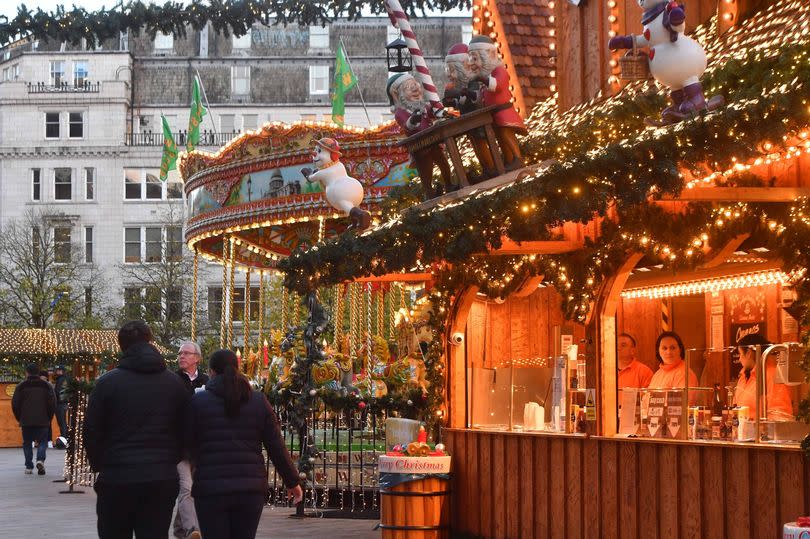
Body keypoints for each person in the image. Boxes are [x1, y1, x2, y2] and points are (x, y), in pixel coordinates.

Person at [83, 320, 190, 539]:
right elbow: (187, 428)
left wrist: (101, 464)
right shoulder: (174, 384)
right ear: (150, 342)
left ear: (122, 347)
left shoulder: (107, 383)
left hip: (117, 475)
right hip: (160, 477)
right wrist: (171, 459)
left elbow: (92, 430)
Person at [185, 349, 303, 539]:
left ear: (212, 372)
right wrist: (292, 481)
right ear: (237, 369)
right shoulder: (257, 401)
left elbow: (187, 441)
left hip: (211, 487)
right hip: (250, 487)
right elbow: (276, 446)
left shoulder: (199, 401)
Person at [387, 72, 454, 198]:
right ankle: (429, 192)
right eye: (408, 87)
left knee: (443, 163)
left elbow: (433, 113)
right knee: (426, 169)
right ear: (398, 95)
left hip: (433, 140)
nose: (414, 88)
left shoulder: (424, 106)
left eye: (415, 84)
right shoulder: (400, 112)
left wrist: (440, 112)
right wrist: (413, 121)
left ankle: (449, 184)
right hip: (420, 146)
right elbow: (407, 126)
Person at [467, 35, 527, 171]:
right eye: (471, 58)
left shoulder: (499, 71)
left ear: (487, 55)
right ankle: (509, 160)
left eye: (475, 58)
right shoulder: (487, 75)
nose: (471, 63)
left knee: (506, 134)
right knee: (500, 137)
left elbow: (497, 86)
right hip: (494, 114)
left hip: (504, 111)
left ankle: (518, 158)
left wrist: (481, 78)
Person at [174, 341, 208, 539]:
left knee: (194, 489)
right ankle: (191, 529)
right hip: (180, 444)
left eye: (186, 353)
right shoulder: (172, 380)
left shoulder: (206, 381)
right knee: (186, 487)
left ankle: (180, 529)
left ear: (197, 358)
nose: (181, 356)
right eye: (180, 353)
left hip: (200, 444)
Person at [734, 333, 793, 420]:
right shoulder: (743, 377)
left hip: (761, 432)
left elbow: (781, 414)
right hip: (743, 432)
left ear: (749, 353)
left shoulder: (773, 376)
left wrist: (761, 429)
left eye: (740, 354)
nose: (739, 359)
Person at [11, 363, 55, 475]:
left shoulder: (21, 386)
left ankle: (29, 467)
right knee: (43, 442)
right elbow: (52, 403)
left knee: (27, 443)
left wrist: (19, 417)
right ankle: (40, 460)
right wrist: (49, 417)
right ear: (38, 372)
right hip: (43, 419)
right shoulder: (46, 385)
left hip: (26, 420)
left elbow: (15, 404)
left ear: (27, 372)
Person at [54, 365, 69, 440]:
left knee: (61, 422)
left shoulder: (61, 379)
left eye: (58, 370)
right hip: (63, 403)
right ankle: (65, 437)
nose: (57, 371)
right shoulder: (64, 379)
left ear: (62, 371)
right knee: (62, 421)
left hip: (60, 403)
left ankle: (64, 438)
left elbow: (58, 391)